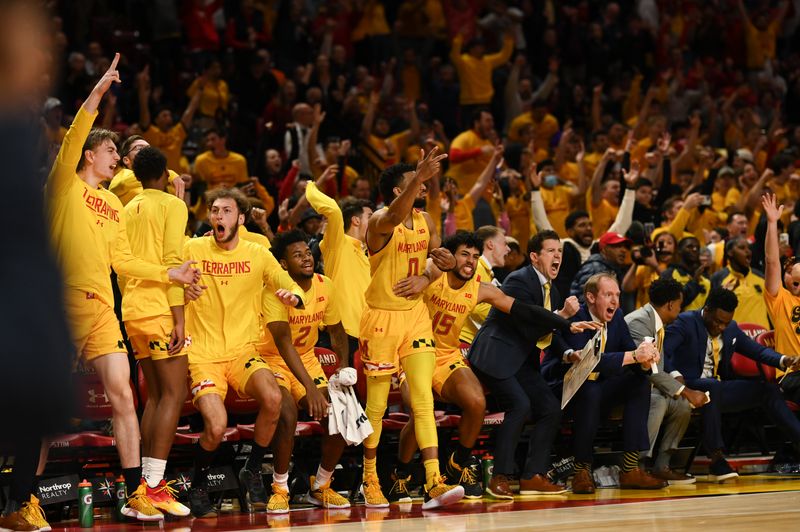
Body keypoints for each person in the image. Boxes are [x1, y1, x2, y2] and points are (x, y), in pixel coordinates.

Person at [46, 53, 197, 522]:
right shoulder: (64, 186)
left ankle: (137, 493)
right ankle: (22, 500)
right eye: (112, 152)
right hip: (61, 302)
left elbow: (123, 261)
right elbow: (74, 134)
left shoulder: (112, 202)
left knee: (124, 397)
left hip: (103, 307)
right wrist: (99, 91)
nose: (118, 158)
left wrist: (168, 274)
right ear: (90, 156)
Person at [393, 231, 552, 500]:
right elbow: (428, 263)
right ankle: (401, 476)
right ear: (450, 257)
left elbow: (520, 309)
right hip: (413, 352)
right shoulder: (432, 275)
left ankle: (457, 466)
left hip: (446, 356)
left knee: (477, 402)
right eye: (464, 254)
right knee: (420, 412)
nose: (470, 261)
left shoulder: (479, 288)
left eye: (475, 256)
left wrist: (563, 322)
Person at [182, 188, 308, 518]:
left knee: (273, 398)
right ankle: (198, 484)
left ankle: (251, 468)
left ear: (240, 218)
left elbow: (285, 279)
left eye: (225, 211)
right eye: (214, 210)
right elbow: (168, 278)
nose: (218, 216)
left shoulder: (258, 252)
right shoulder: (193, 248)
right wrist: (183, 286)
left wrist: (293, 294)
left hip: (242, 351)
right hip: (204, 355)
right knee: (216, 425)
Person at [358, 149, 465, 510]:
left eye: (421, 183)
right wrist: (420, 176)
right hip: (381, 318)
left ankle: (433, 480)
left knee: (423, 399)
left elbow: (439, 262)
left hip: (416, 316)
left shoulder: (426, 221)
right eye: (412, 184)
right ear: (395, 191)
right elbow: (393, 215)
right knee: (375, 407)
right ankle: (368, 479)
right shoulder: (378, 221)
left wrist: (430, 274)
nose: (420, 189)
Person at [468, 231, 599, 499]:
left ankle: (532, 476)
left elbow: (548, 334)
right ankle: (499, 477)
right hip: (495, 355)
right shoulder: (519, 280)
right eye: (551, 251)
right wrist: (563, 317)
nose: (558, 256)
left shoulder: (553, 289)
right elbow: (528, 320)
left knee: (551, 407)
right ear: (535, 256)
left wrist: (568, 353)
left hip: (521, 361)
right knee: (520, 405)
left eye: (560, 252)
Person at [544, 273, 665, 494]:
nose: (615, 301)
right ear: (590, 297)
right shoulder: (576, 316)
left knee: (638, 382)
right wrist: (634, 356)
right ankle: (581, 469)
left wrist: (646, 362)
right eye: (608, 295)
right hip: (563, 390)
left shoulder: (617, 316)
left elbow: (630, 357)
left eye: (617, 295)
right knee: (590, 390)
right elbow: (589, 362)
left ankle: (629, 469)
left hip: (598, 389)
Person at [664, 287, 800, 482]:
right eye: (718, 322)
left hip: (717, 390)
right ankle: (717, 459)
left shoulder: (731, 328)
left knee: (767, 390)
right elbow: (662, 355)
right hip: (689, 386)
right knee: (712, 385)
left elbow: (758, 352)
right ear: (707, 309)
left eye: (725, 323)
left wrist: (785, 359)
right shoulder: (685, 322)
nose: (721, 327)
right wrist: (677, 377)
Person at [258, 230, 351, 512]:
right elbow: (283, 343)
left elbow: (336, 329)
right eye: (297, 255)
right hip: (271, 359)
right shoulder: (274, 292)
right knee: (287, 413)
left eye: (307, 253)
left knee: (341, 414)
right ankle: (280, 487)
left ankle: (320, 485)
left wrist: (342, 369)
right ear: (284, 265)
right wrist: (310, 388)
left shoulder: (326, 285)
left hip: (308, 359)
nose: (306, 258)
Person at [122, 146, 190, 516]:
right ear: (164, 174)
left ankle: (142, 486)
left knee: (155, 397)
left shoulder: (128, 206)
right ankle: (152, 486)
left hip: (132, 310)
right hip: (159, 308)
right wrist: (178, 318)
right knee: (174, 394)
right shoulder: (172, 205)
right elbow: (173, 262)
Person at [624, 279, 708, 484]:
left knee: (680, 404)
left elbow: (658, 366)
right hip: (627, 387)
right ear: (670, 304)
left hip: (647, 385)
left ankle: (663, 465)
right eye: (680, 304)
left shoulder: (656, 322)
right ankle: (638, 466)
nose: (681, 309)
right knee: (659, 400)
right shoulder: (639, 322)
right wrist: (686, 390)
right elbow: (648, 370)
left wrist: (675, 378)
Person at [305, 169, 374, 353]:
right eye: (370, 216)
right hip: (343, 333)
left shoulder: (370, 254)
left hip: (369, 335)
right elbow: (333, 211)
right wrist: (311, 186)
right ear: (356, 221)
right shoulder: (338, 243)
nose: (375, 221)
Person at [761, 193, 800, 402]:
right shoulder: (780, 298)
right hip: (792, 374)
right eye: (788, 271)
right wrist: (772, 223)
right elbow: (772, 262)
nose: (793, 275)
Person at [460, 225, 510, 344]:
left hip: (469, 339)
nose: (508, 249)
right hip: (463, 340)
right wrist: (509, 318)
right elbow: (474, 305)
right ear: (490, 244)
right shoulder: (477, 268)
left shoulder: (485, 271)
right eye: (504, 244)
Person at [710, 236, 769, 328]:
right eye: (742, 248)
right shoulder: (718, 278)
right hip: (734, 337)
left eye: (748, 248)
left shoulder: (761, 277)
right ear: (730, 252)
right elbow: (710, 310)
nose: (747, 251)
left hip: (761, 337)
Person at [569, 231, 632, 301]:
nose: (623, 250)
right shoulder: (594, 268)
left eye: (625, 247)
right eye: (617, 246)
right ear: (604, 249)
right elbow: (584, 301)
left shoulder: (615, 268)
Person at [661, 236, 710, 311]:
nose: (694, 249)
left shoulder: (705, 277)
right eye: (690, 247)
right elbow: (671, 304)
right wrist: (694, 282)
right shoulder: (669, 274)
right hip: (677, 322)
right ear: (679, 250)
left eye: (697, 247)